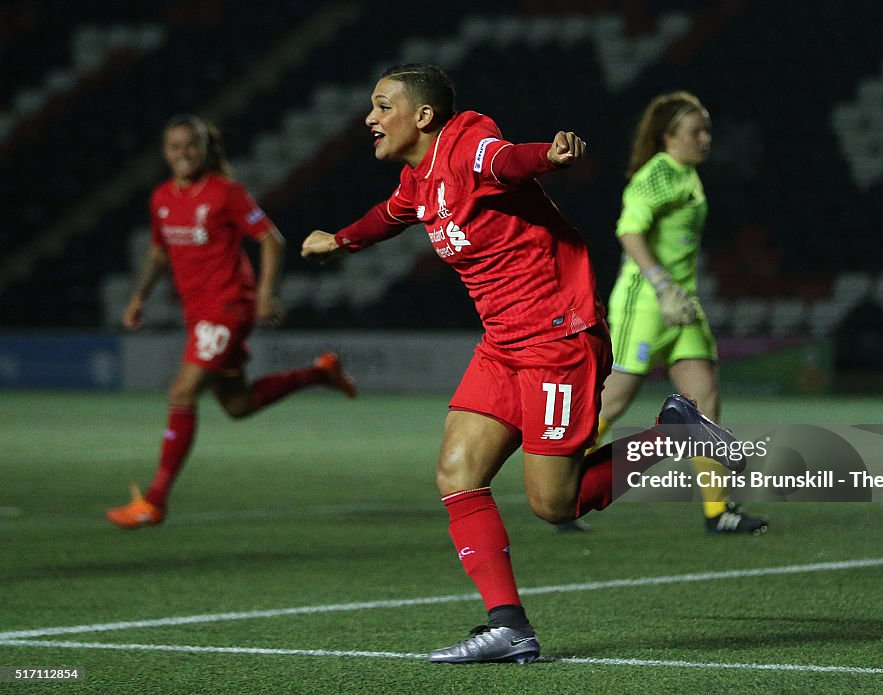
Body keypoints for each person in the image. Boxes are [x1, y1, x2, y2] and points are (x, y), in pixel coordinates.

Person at [301, 64, 744, 664]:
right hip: (503, 344)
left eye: (382, 106)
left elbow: (506, 160)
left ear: (423, 116)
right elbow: (393, 213)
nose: (370, 119)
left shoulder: (466, 143)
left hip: (557, 339)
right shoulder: (420, 176)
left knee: (554, 504)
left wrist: (549, 157)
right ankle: (508, 627)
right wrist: (342, 240)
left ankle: (673, 435)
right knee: (457, 471)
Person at [106, 114, 357, 530]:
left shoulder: (226, 193)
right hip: (198, 314)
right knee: (238, 405)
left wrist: (263, 296)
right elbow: (157, 253)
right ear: (165, 153)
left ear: (206, 150)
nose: (183, 153)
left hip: (226, 308)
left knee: (182, 392)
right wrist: (138, 298)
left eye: (192, 145)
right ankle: (319, 373)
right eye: (175, 147)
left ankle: (154, 501)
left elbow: (271, 239)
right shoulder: (162, 198)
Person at [586, 91, 767, 535]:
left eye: (707, 130)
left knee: (704, 401)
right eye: (695, 131)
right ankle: (568, 486)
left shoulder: (685, 174)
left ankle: (717, 511)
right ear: (668, 136)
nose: (705, 139)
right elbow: (629, 232)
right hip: (646, 302)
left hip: (682, 305)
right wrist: (663, 285)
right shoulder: (657, 174)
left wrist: (676, 293)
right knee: (613, 400)